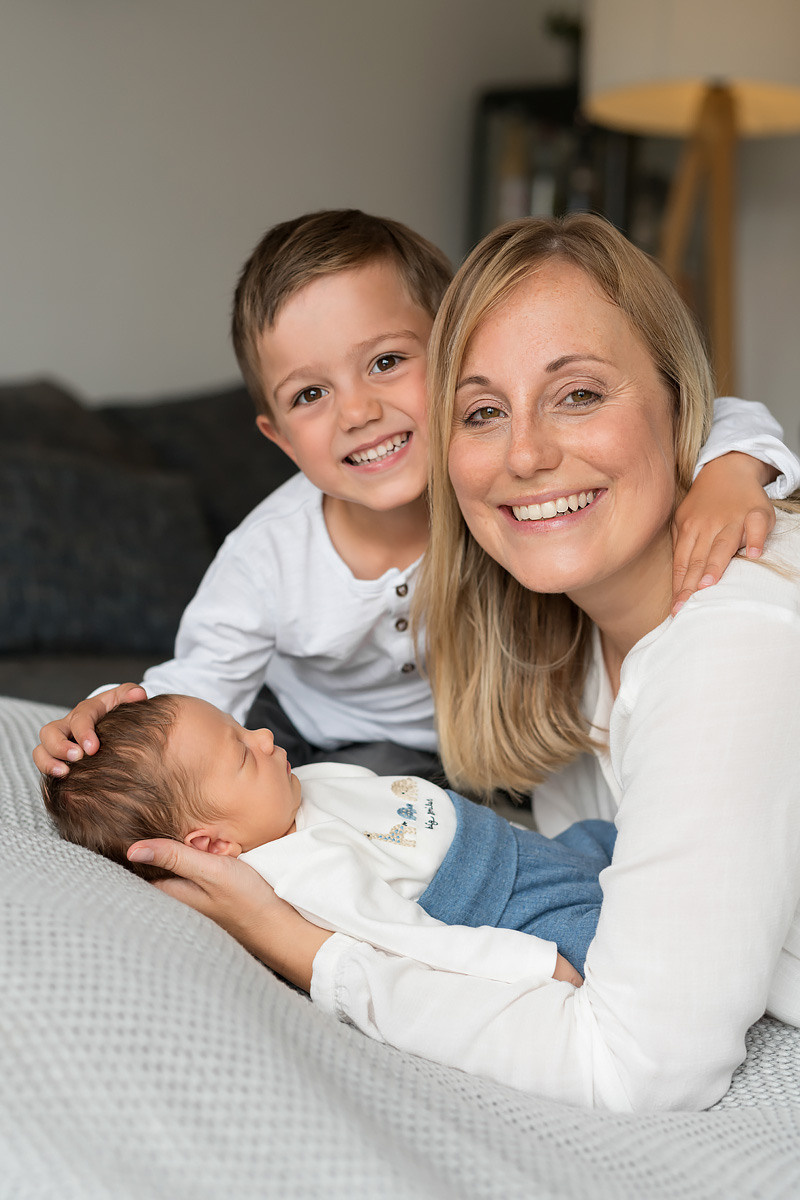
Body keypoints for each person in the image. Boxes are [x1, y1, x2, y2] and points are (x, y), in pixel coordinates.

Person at [126, 214, 800, 1113]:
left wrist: (302, 946)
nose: (525, 454)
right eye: (483, 411)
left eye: (580, 393)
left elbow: (642, 1064)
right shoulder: (555, 635)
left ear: (683, 404)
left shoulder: (731, 641)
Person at [33, 210, 800, 784]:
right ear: (279, 440)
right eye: (310, 395)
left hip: (474, 738)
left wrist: (735, 469)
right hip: (299, 732)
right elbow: (198, 683)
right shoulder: (268, 558)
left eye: (388, 361)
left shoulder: (504, 485)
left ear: (460, 357)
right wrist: (103, 714)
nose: (357, 411)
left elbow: (702, 414)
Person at [41, 692, 618, 978]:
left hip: (521, 845)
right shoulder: (305, 877)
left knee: (614, 842)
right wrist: (538, 967)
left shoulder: (279, 796)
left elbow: (168, 745)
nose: (264, 736)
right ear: (212, 847)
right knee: (617, 942)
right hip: (511, 905)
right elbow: (409, 945)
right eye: (242, 754)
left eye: (243, 727)